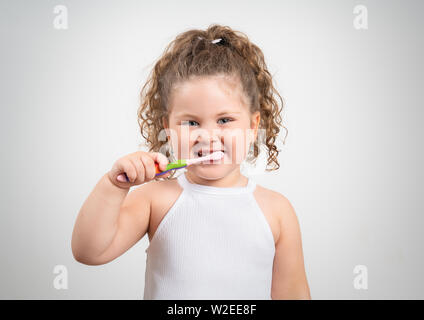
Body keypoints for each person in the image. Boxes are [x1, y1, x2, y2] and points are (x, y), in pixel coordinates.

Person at [71, 24, 311, 300]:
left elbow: (293, 294)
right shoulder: (155, 199)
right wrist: (113, 186)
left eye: (224, 120)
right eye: (191, 122)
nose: (208, 136)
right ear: (168, 128)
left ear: (253, 125)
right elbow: (89, 252)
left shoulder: (278, 211)